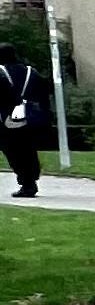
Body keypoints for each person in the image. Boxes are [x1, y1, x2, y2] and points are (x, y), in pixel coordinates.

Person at [0, 44, 46, 198]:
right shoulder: (31, 72)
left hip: (8, 118)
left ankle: (26, 181)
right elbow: (43, 93)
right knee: (29, 148)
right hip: (31, 117)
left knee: (12, 150)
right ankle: (31, 178)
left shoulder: (1, 73)